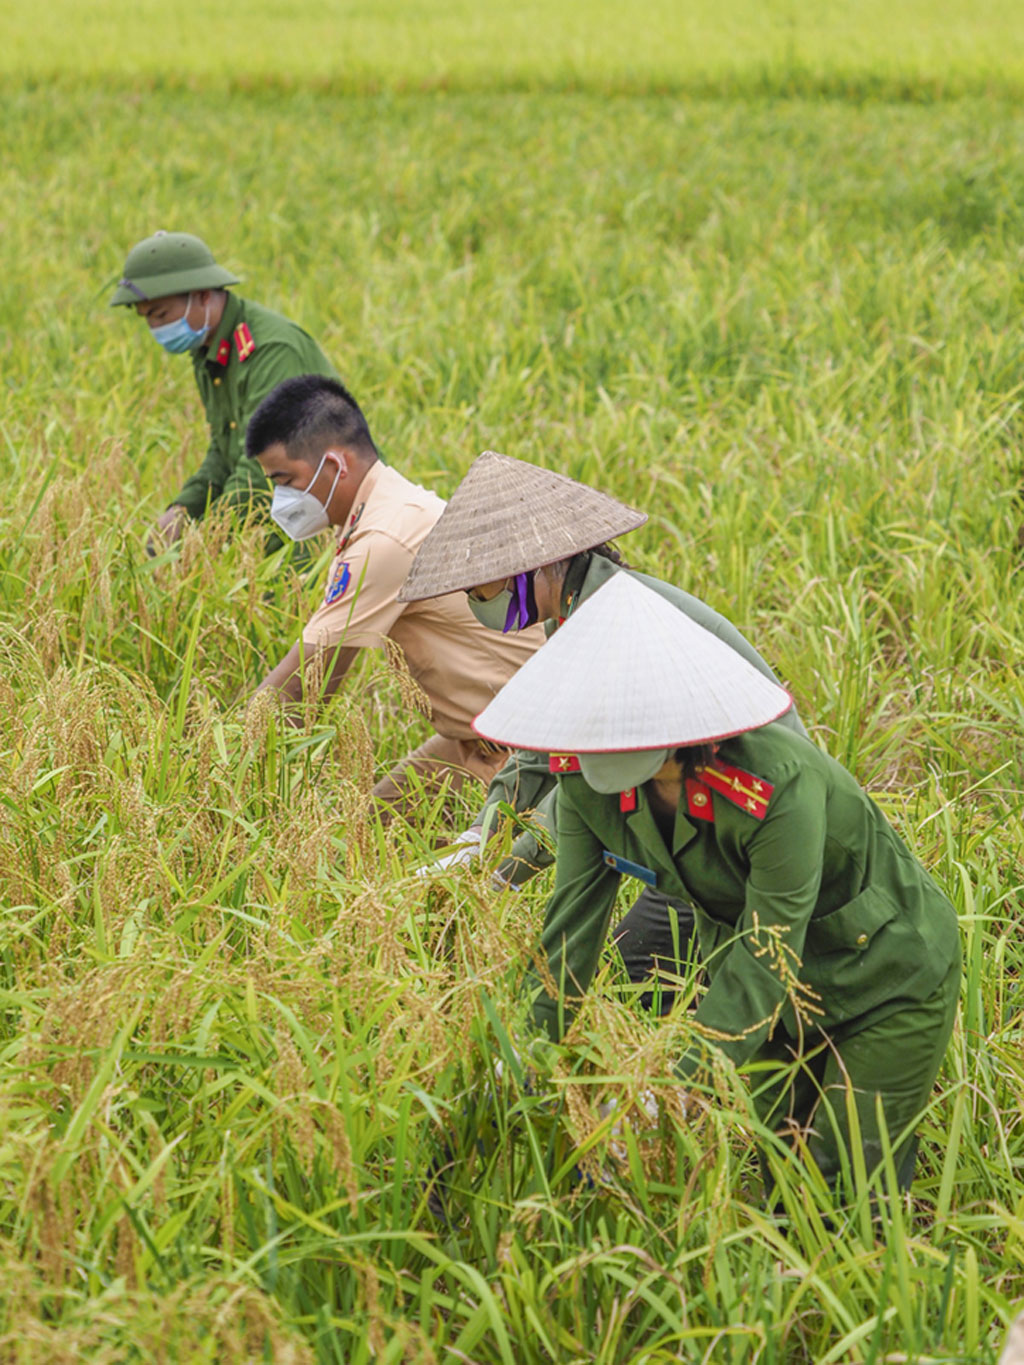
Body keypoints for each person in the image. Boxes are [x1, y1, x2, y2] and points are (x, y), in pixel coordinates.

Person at [472, 572, 962, 1197]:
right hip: (763, 1002)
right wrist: (520, 1056)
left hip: (884, 979)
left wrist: (674, 1089)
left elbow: (768, 949)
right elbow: (569, 934)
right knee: (784, 1176)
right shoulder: (584, 786)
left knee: (843, 1183)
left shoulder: (776, 783)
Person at [398, 450, 809, 1005]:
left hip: (741, 817)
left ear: (535, 563)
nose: (477, 602)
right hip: (691, 813)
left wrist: (504, 870)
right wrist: (483, 833)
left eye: (483, 587)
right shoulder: (574, 612)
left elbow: (581, 781)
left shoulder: (613, 621)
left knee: (627, 979)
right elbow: (543, 751)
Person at [245, 376, 543, 805]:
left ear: (335, 466)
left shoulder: (385, 538)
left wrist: (224, 760)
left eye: (285, 479)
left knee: (409, 858)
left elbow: (308, 684)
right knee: (376, 827)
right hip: (476, 738)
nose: (280, 498)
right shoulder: (391, 508)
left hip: (529, 749)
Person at [110, 230, 338, 556]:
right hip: (281, 519)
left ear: (203, 295)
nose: (156, 330)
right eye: (147, 319)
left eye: (161, 315)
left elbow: (265, 467)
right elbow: (225, 449)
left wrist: (207, 536)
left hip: (322, 526)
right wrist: (184, 511)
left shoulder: (269, 351)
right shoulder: (211, 351)